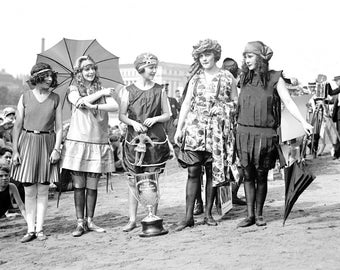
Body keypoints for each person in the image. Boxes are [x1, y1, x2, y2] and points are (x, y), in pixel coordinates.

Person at [235, 41, 313, 227]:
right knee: (247, 175)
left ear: (260, 57)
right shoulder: (243, 78)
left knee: (261, 175)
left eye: (250, 56)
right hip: (244, 132)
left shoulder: (274, 78)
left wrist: (303, 122)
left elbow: (288, 101)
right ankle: (250, 215)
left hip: (265, 135)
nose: (246, 61)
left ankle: (260, 214)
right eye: (245, 57)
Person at [174, 39, 238, 231]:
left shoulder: (227, 77)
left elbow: (236, 102)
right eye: (201, 56)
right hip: (195, 128)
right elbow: (186, 103)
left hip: (217, 131)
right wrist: (179, 129)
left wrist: (223, 108)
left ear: (215, 55)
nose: (204, 59)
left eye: (207, 55)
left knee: (211, 171)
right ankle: (188, 217)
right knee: (193, 171)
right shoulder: (195, 78)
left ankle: (208, 214)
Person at [60, 55, 118, 237]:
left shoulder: (100, 88)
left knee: (92, 185)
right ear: (79, 72)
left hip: (97, 140)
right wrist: (100, 96)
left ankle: (90, 220)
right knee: (79, 185)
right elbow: (79, 102)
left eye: (93, 68)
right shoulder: (73, 88)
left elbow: (114, 106)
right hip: (78, 140)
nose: (90, 72)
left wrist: (97, 105)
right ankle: (80, 222)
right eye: (86, 69)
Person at [11, 62, 62, 242]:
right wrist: (15, 150)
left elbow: (60, 127)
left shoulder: (55, 98)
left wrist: (57, 149)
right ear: (36, 78)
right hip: (27, 142)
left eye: (51, 76)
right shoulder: (25, 97)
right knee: (29, 190)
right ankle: (30, 229)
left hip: (47, 143)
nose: (49, 79)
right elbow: (17, 125)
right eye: (45, 76)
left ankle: (40, 229)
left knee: (43, 189)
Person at [119, 52, 171, 232]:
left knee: (152, 179)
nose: (154, 71)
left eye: (155, 67)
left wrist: (155, 119)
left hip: (154, 141)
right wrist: (133, 122)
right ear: (141, 69)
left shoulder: (160, 90)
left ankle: (152, 217)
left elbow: (168, 114)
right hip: (134, 141)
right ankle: (132, 219)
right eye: (151, 68)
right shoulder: (128, 91)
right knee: (134, 180)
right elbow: (122, 115)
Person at [221, 57, 246, 206]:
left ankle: (232, 194)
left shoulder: (239, 83)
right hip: (226, 127)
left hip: (236, 126)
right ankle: (228, 195)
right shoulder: (233, 82)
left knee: (237, 163)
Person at [163, 83, 181, 148]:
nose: (165, 91)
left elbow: (181, 109)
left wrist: (177, 118)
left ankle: (178, 157)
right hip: (161, 121)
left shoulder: (172, 100)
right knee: (161, 141)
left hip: (171, 121)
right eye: (164, 90)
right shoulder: (157, 100)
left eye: (166, 90)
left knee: (173, 140)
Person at [326, 76, 340, 159]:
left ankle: (337, 153)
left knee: (339, 134)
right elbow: (332, 97)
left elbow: (331, 92)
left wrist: (327, 84)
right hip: (338, 113)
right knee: (338, 133)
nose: (336, 83)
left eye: (337, 81)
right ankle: (337, 153)